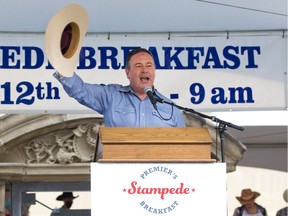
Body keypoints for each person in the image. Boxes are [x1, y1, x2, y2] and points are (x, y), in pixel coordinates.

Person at [53, 47, 186, 127]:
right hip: (118, 172)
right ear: (128, 73)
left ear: (154, 72)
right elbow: (80, 90)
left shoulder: (171, 108)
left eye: (149, 66)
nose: (145, 70)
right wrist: (62, 65)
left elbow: (185, 149)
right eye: (138, 66)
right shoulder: (111, 96)